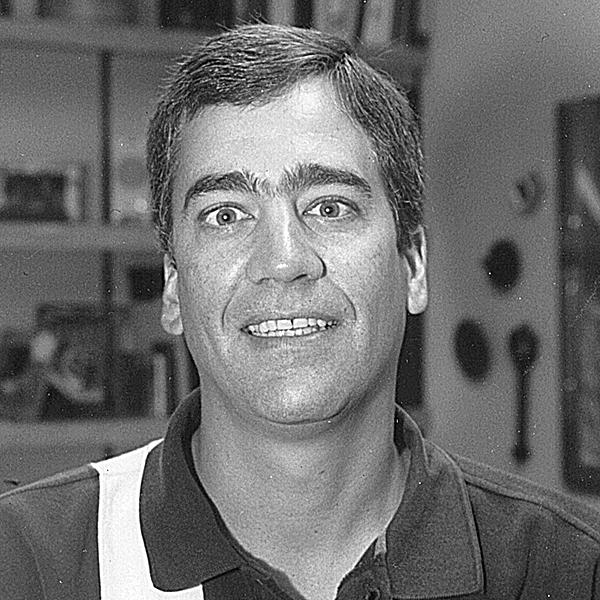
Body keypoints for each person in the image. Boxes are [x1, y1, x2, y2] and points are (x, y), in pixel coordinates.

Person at [1, 23, 600, 600]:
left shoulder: (573, 570)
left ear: (414, 265)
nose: (284, 261)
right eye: (226, 215)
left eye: (329, 207)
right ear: (173, 285)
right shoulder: (22, 562)